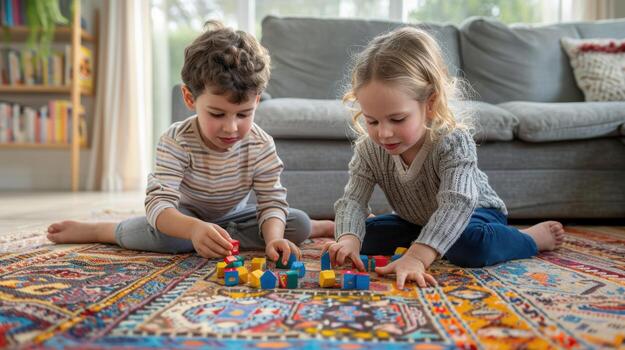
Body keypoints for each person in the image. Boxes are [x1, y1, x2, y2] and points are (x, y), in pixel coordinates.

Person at [47, 21, 334, 264]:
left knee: (297, 223)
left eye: (244, 114)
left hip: (236, 217)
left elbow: (271, 201)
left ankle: (230, 236)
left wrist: (273, 240)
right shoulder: (176, 140)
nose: (231, 127)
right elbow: (159, 205)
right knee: (164, 235)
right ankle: (103, 231)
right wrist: (194, 229)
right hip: (184, 217)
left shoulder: (260, 144)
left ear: (257, 100)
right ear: (189, 98)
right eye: (217, 113)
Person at [325, 27, 565, 289]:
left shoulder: (452, 141)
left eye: (397, 119)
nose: (383, 133)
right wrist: (348, 239)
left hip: (475, 215)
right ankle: (431, 240)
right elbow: (353, 201)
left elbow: (456, 204)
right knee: (365, 238)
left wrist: (417, 257)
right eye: (372, 120)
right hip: (418, 220)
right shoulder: (369, 149)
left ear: (430, 103)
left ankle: (528, 238)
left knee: (469, 247)